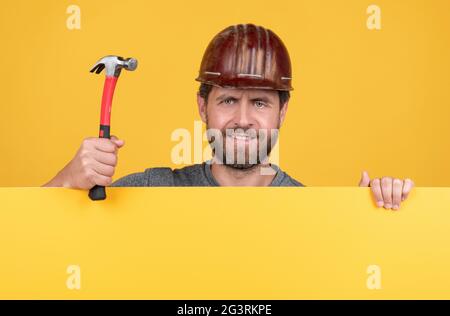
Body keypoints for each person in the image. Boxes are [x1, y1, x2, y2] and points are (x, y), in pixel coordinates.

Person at [42, 23, 414, 210]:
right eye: (228, 100)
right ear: (202, 106)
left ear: (283, 111)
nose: (242, 119)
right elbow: (27, 242)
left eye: (260, 103)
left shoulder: (306, 211)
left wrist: (374, 220)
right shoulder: (154, 191)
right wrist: (67, 180)